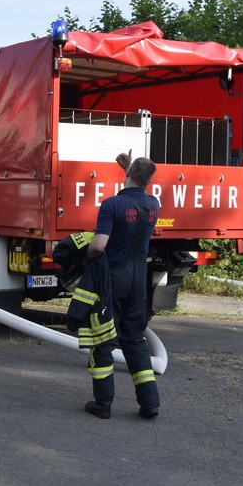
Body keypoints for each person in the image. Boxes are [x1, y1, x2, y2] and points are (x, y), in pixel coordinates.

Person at [84, 152, 161, 420]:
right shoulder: (153, 204)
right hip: (139, 278)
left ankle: (103, 403)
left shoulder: (111, 205)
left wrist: (86, 258)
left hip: (113, 277)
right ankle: (150, 403)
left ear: (127, 175)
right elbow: (139, 182)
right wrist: (130, 168)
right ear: (149, 180)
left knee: (104, 337)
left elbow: (98, 246)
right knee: (134, 338)